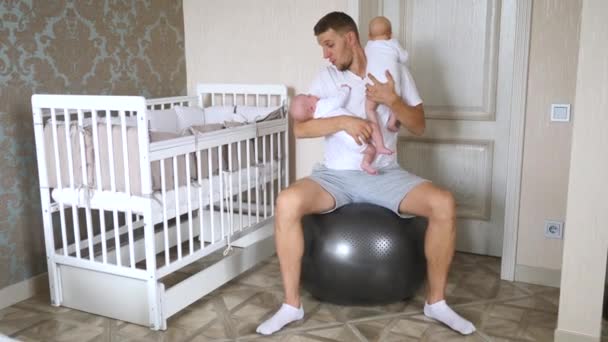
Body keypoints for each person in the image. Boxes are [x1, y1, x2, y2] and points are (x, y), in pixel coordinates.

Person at [256, 11, 476, 336]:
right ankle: (291, 305)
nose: (326, 54)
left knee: (443, 203)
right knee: (287, 202)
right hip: (334, 177)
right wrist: (344, 122)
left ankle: (436, 302)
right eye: (322, 47)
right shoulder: (326, 76)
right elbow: (301, 129)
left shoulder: (394, 70)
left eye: (329, 44)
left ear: (350, 38)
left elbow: (418, 125)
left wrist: (393, 100)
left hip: (385, 175)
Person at [290, 85, 380, 175]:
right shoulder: (322, 104)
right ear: (311, 108)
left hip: (353, 143)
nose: (310, 94)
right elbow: (338, 100)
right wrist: (345, 89)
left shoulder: (317, 117)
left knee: (370, 150)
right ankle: (381, 146)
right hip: (359, 131)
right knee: (373, 128)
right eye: (308, 96)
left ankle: (365, 163)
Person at [365, 16, 409, 133]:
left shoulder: (368, 46)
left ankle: (375, 128)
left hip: (373, 87)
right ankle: (392, 122)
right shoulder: (393, 43)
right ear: (390, 34)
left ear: (369, 36)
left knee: (369, 109)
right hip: (391, 87)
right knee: (396, 103)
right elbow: (404, 58)